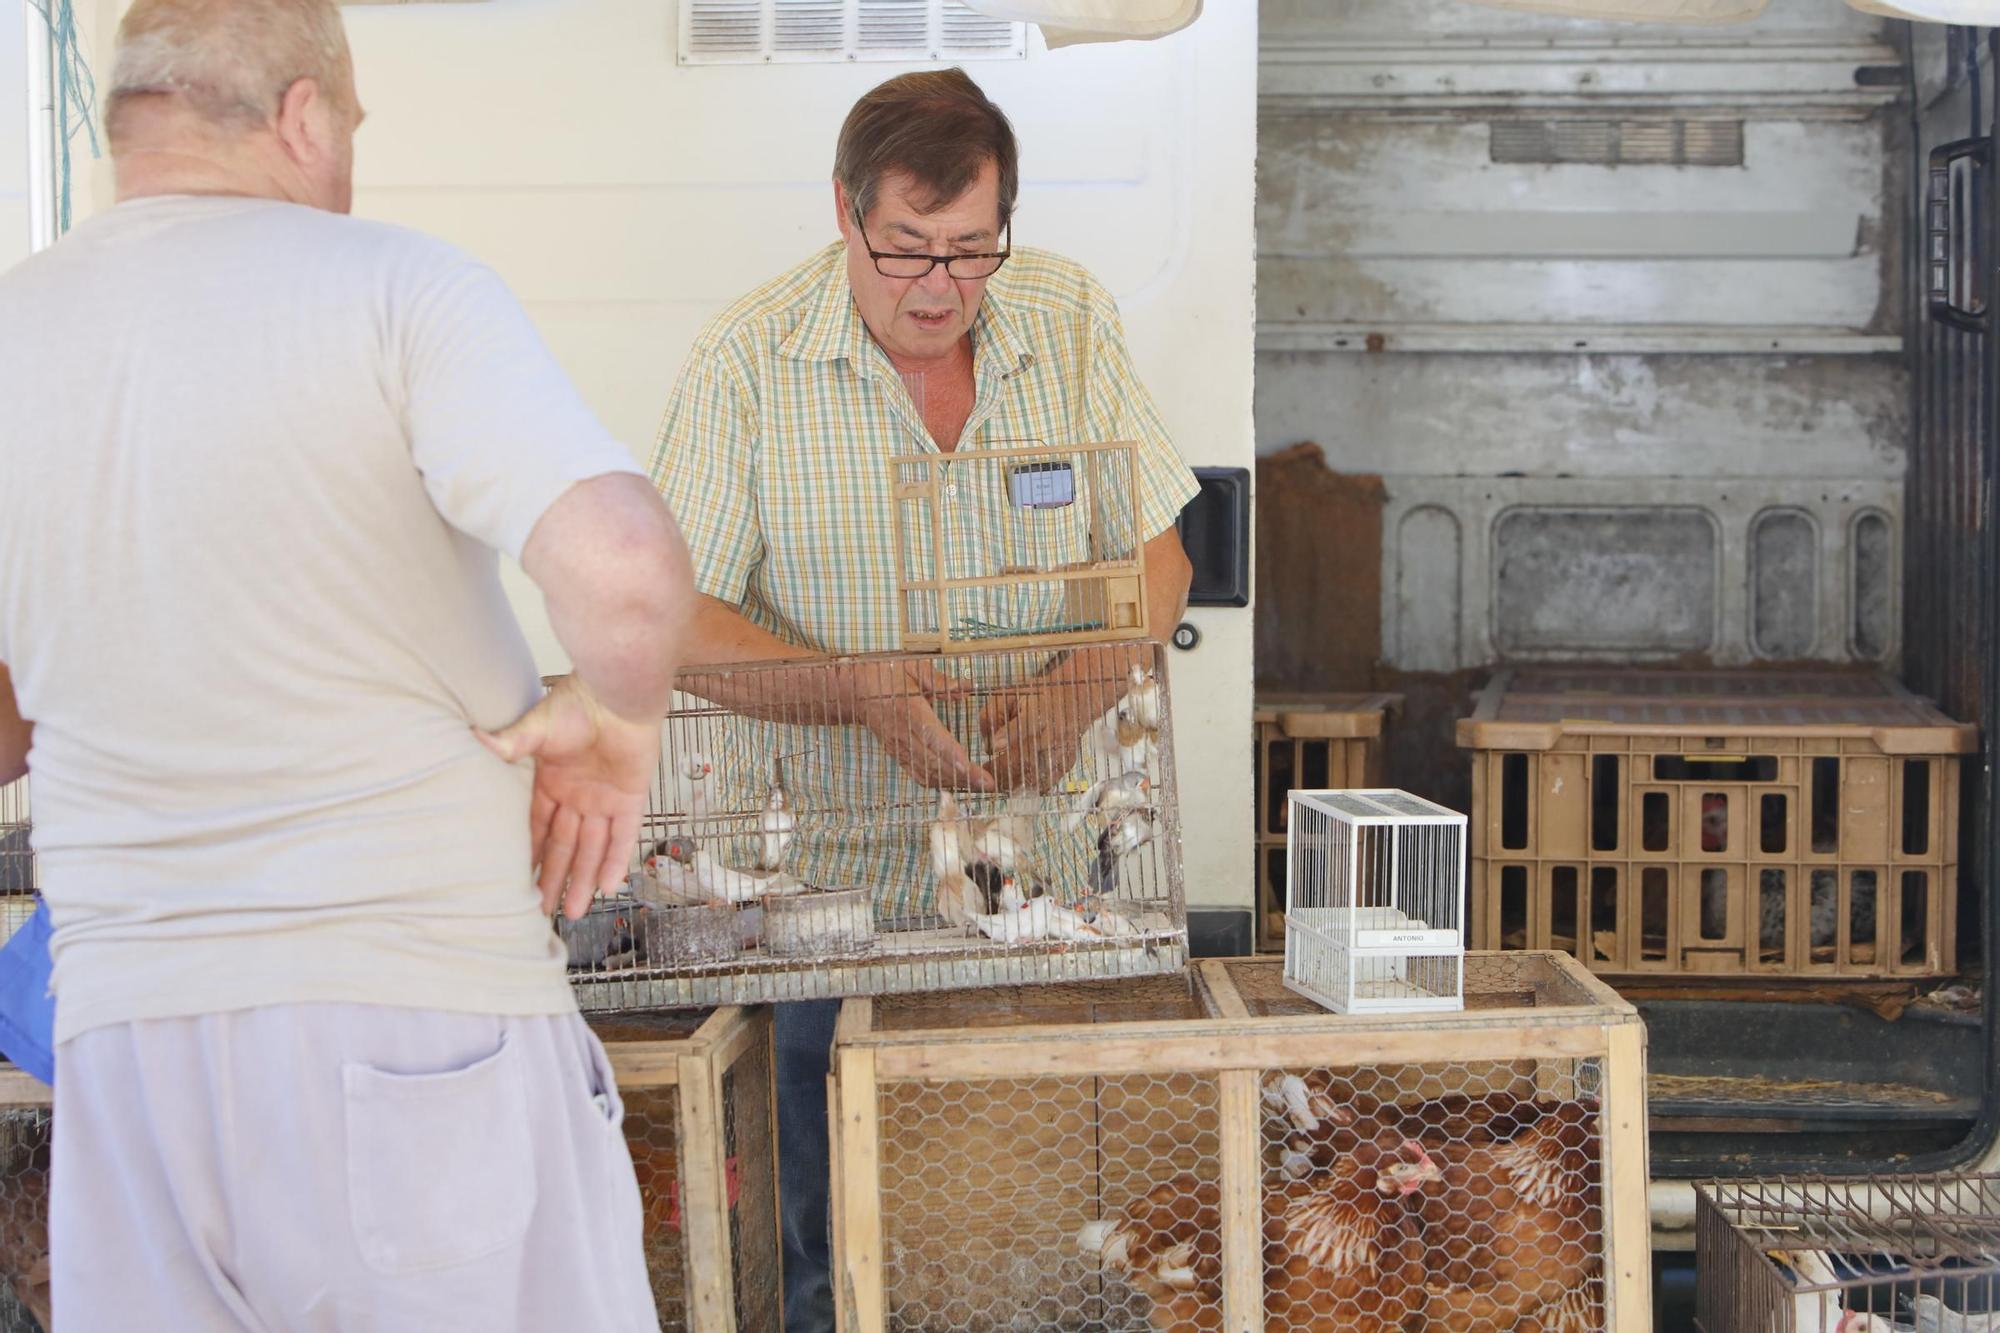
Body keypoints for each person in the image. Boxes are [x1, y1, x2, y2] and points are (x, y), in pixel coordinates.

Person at [0, 0, 694, 1326]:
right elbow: (626, 572)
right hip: (409, 1031)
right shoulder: (395, 289)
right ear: (303, 115)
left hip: (126, 1059)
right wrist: (614, 722)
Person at [650, 67, 1198, 1332]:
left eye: (970, 250)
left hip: (1049, 893)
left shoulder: (1060, 313)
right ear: (843, 213)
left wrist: (1076, 683)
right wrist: (850, 691)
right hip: (824, 911)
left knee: (1047, 1247)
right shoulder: (747, 362)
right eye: (904, 251)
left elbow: (1159, 549)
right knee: (826, 1256)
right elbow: (671, 621)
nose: (940, 288)